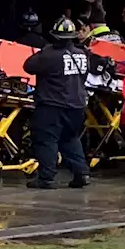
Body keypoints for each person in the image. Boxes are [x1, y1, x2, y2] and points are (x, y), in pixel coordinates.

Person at [23, 17, 107, 190]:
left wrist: (44, 50)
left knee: (47, 139)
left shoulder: (49, 55)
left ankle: (46, 178)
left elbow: (28, 66)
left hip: (52, 105)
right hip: (77, 105)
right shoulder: (83, 54)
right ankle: (81, 173)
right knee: (70, 139)